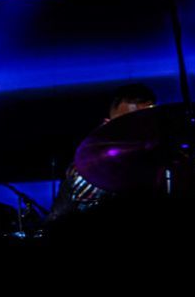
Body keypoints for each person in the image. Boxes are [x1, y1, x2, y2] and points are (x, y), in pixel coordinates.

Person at [49, 82, 155, 220]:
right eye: (126, 123)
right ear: (108, 123)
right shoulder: (92, 160)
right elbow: (68, 211)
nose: (135, 129)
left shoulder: (159, 155)